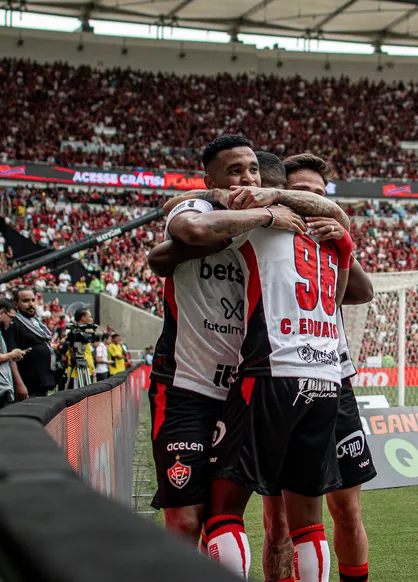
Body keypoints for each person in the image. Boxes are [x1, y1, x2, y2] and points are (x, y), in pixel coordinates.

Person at [145, 138, 349, 562]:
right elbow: (166, 251)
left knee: (274, 521)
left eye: (253, 171)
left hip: (249, 385)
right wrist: (266, 214)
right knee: (186, 521)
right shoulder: (209, 212)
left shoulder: (290, 230)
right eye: (236, 171)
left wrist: (329, 237)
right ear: (212, 181)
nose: (247, 179)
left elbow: (355, 284)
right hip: (189, 385)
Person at [259, 153, 377, 582]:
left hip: (335, 381)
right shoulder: (264, 233)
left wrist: (342, 240)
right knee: (281, 523)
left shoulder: (330, 242)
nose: (312, 200)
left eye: (320, 195)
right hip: (279, 381)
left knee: (346, 509)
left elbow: (364, 292)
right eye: (302, 192)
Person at [3, 287, 57, 398]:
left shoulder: (35, 322)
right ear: (16, 304)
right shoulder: (14, 323)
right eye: (25, 301)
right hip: (28, 386)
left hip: (42, 384)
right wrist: (19, 384)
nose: (31, 304)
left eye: (33, 300)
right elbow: (11, 358)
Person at [64, 307, 96, 389]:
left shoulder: (86, 334)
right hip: (77, 370)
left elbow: (87, 352)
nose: (91, 319)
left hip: (87, 369)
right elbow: (71, 350)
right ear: (83, 318)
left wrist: (92, 368)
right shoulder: (74, 333)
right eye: (89, 316)